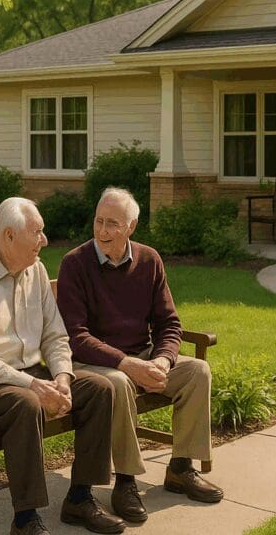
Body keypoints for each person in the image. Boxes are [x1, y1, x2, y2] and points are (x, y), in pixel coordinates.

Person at [0, 198, 124, 535]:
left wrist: (63, 378)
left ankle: (80, 498)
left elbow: (54, 335)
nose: (45, 240)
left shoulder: (35, 271)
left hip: (25, 376)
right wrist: (34, 386)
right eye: (37, 232)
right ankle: (25, 519)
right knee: (27, 403)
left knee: (98, 388)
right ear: (9, 236)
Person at [56, 187, 220, 526]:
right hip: (96, 363)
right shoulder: (75, 263)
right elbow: (75, 336)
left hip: (143, 356)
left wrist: (162, 361)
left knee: (197, 371)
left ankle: (180, 469)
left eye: (113, 224)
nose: (103, 231)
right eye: (98, 221)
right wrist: (127, 363)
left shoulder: (149, 260)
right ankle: (126, 483)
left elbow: (169, 323)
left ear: (131, 226)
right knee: (119, 383)